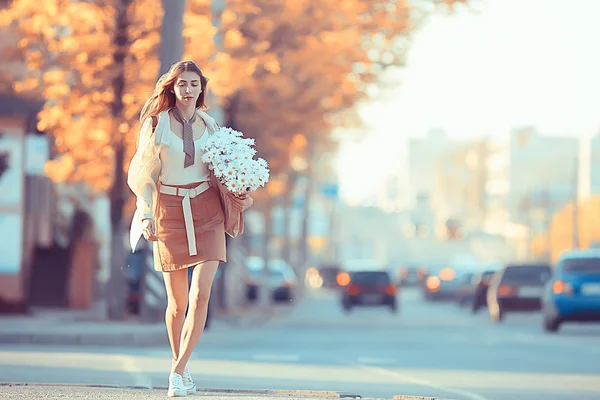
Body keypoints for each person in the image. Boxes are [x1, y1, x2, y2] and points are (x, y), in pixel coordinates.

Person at [127, 60, 248, 397]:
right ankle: (179, 367)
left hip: (207, 210)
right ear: (172, 87)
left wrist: (242, 182)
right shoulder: (156, 124)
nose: (188, 89)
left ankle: (177, 371)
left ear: (201, 88)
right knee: (177, 304)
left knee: (201, 295)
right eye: (182, 84)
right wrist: (147, 212)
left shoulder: (211, 125)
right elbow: (143, 174)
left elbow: (224, 167)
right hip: (169, 209)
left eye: (194, 84)